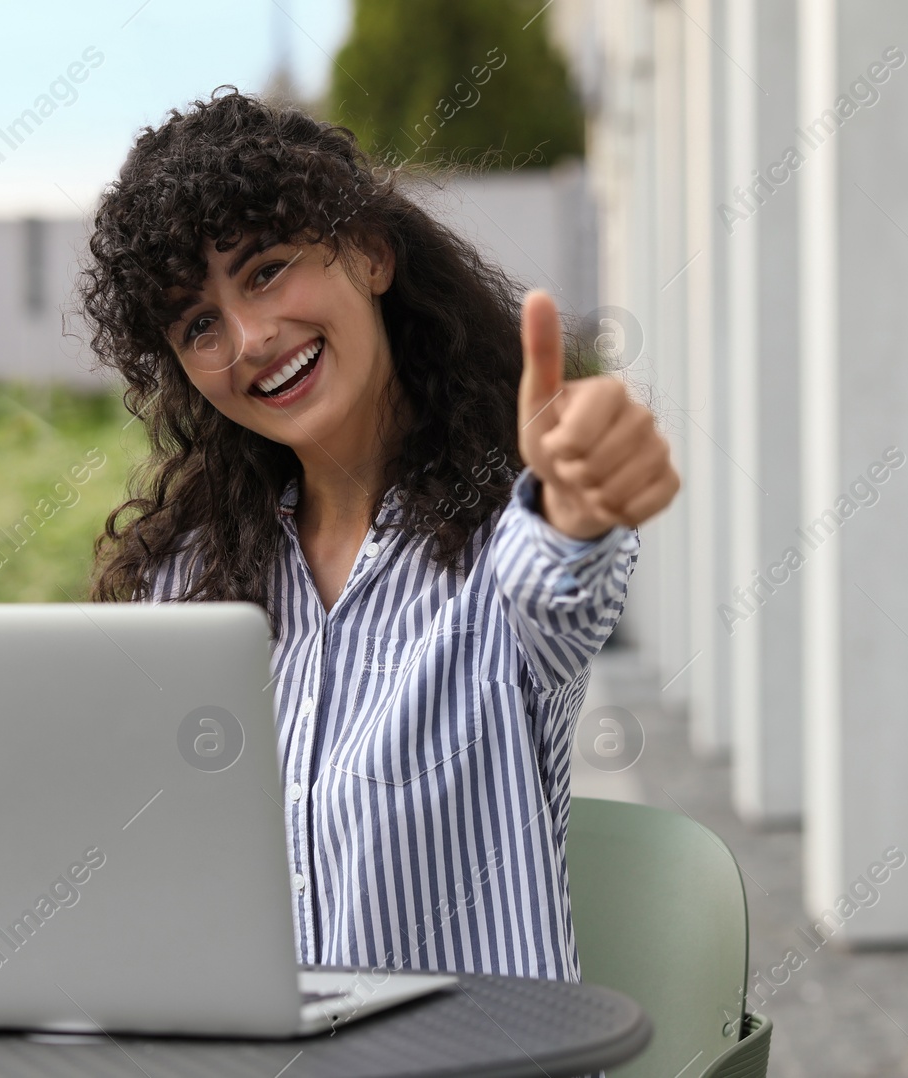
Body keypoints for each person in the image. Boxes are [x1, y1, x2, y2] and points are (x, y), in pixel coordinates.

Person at [81, 87, 680, 983]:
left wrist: (576, 506)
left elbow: (553, 576)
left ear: (368, 253)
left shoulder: (500, 534)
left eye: (268, 269)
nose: (248, 338)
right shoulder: (190, 579)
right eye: (199, 325)